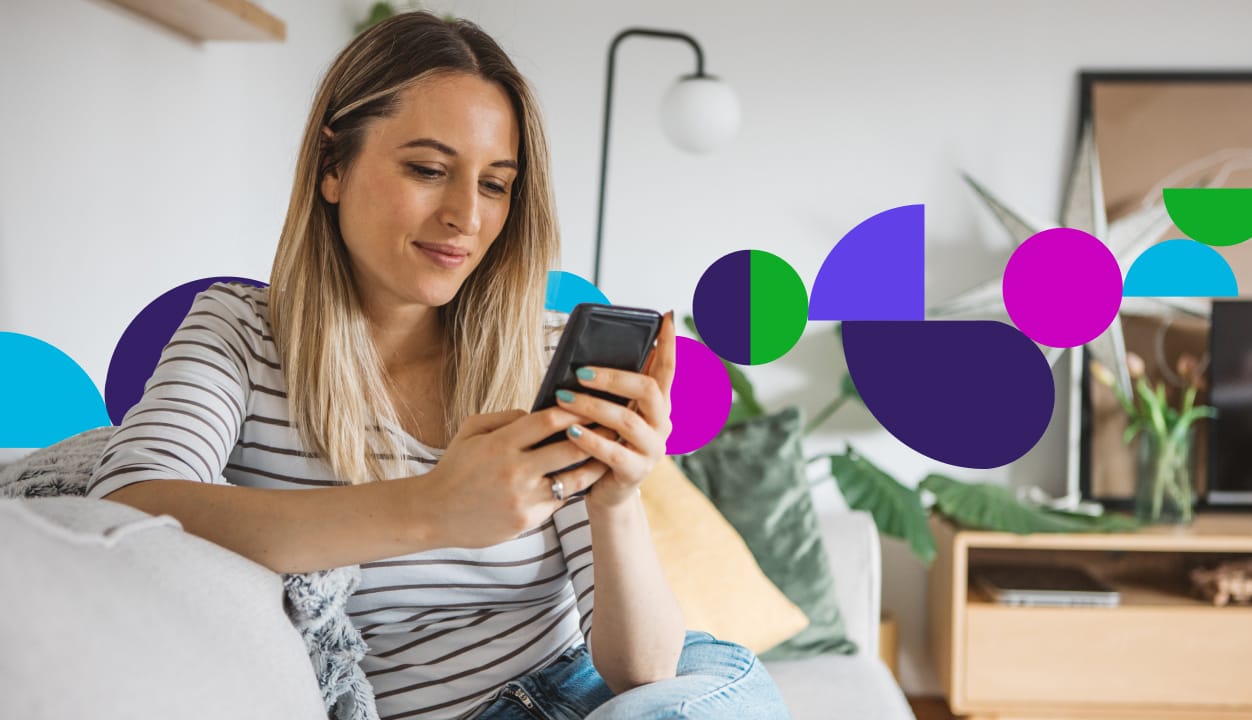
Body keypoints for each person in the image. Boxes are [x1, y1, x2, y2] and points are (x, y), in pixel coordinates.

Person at [86, 11, 789, 720]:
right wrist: (431, 510)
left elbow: (642, 671)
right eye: (428, 170)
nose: (466, 216)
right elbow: (129, 511)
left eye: (495, 184)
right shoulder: (238, 335)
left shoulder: (542, 351)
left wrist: (616, 500)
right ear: (333, 165)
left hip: (617, 696)